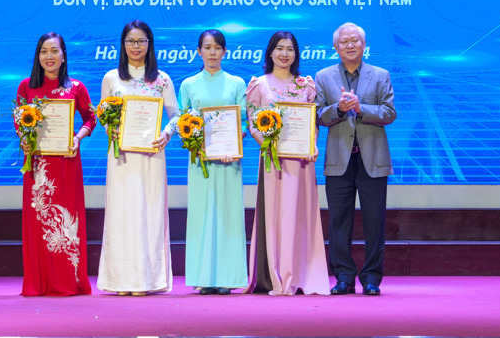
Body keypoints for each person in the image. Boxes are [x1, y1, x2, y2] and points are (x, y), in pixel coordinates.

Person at [159, 29, 247, 294]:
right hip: (200, 162)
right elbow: (181, 118)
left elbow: (242, 121)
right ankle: (204, 278)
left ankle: (228, 280)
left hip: (229, 161)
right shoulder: (189, 84)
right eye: (207, 47)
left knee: (228, 217)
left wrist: (236, 141)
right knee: (202, 216)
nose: (212, 53)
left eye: (217, 47)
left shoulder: (236, 83)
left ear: (224, 52)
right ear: (198, 52)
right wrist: (168, 131)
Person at [245, 31, 330, 296]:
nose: (285, 54)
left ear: (296, 54)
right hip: (273, 161)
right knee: (277, 215)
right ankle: (277, 275)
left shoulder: (306, 85)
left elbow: (311, 123)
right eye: (279, 48)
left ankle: (302, 274)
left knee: (300, 216)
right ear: (270, 52)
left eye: (290, 49)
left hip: (301, 163)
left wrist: (312, 144)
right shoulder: (259, 84)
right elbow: (252, 121)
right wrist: (267, 144)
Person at [96, 20, 178, 295]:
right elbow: (103, 115)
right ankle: (120, 280)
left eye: (141, 41)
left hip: (151, 155)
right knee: (122, 213)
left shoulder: (162, 79)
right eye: (130, 41)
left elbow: (175, 115)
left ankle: (146, 279)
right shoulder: (111, 78)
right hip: (121, 157)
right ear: (123, 44)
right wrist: (113, 129)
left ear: (149, 44)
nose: (136, 46)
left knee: (149, 213)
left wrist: (166, 134)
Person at [314, 22, 396, 296]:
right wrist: (338, 109)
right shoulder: (324, 76)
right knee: (339, 221)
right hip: (339, 159)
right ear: (336, 47)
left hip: (373, 159)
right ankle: (343, 277)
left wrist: (362, 109)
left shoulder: (380, 74)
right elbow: (316, 116)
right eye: (344, 42)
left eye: (355, 41)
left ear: (364, 45)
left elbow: (389, 113)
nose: (350, 45)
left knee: (375, 222)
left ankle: (371, 278)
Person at [15, 32, 95, 296]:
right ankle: (39, 283)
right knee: (40, 221)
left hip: (67, 164)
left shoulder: (77, 88)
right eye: (43, 52)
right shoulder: (26, 87)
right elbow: (20, 122)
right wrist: (24, 141)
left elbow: (90, 119)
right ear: (38, 57)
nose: (49, 57)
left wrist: (77, 136)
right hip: (38, 167)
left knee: (67, 221)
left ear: (63, 56)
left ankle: (68, 280)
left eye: (54, 51)